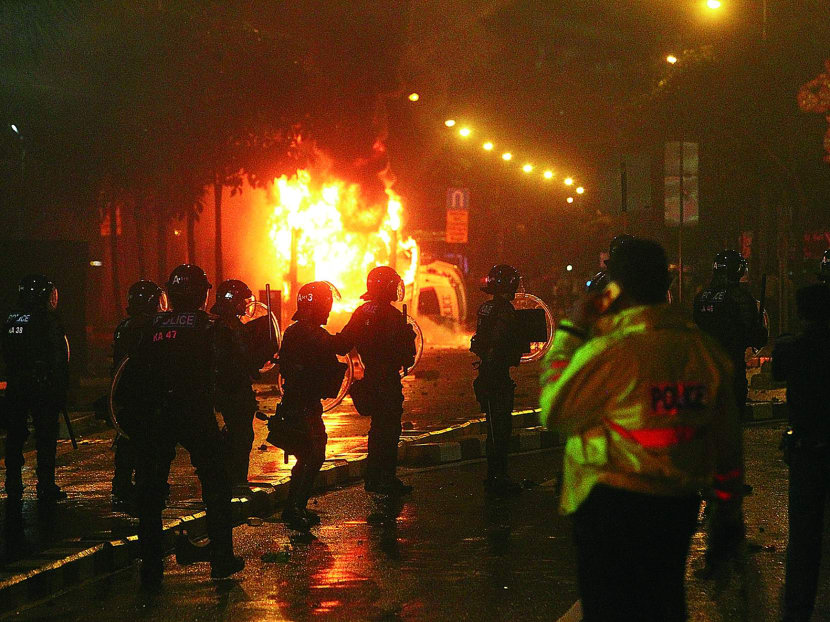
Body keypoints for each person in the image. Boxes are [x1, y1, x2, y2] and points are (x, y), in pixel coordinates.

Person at [540, 238, 744, 621]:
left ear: (615, 289)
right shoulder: (704, 353)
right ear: (666, 283)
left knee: (610, 610)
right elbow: (727, 445)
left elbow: (554, 411)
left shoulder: (612, 353)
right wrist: (727, 510)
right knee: (664, 603)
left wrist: (570, 332)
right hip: (677, 505)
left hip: (610, 504)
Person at [128, 264, 243, 589]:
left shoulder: (151, 326)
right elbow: (232, 376)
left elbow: (133, 372)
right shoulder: (210, 327)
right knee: (216, 484)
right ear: (202, 294)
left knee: (150, 491)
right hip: (196, 414)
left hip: (157, 416)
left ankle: (151, 567)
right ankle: (221, 558)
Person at [772, 284, 830, 622]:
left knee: (804, 540)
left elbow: (778, 372)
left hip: (807, 451)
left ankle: (797, 610)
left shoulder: (792, 348)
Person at [273, 281, 348, 530]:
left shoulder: (298, 331)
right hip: (301, 404)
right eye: (326, 306)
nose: (328, 311)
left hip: (302, 403)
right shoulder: (308, 332)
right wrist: (356, 329)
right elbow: (337, 345)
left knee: (309, 454)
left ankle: (296, 506)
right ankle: (294, 508)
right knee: (312, 454)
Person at [338, 266, 416, 496]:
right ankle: (386, 478)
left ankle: (373, 477)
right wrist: (407, 338)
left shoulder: (362, 312)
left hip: (370, 376)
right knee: (389, 429)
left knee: (377, 429)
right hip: (387, 379)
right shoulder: (392, 316)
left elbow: (343, 342)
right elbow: (405, 356)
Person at [3, 274, 69, 504]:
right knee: (46, 436)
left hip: (16, 385)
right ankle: (45, 484)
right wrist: (61, 388)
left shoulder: (11, 318)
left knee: (14, 436)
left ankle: (12, 481)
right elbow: (58, 357)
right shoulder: (47, 320)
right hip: (42, 387)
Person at [470, 264, 525, 496]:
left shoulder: (486, 307)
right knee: (500, 428)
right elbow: (499, 341)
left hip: (487, 372)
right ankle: (497, 478)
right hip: (497, 375)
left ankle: (495, 476)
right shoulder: (505, 310)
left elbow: (480, 342)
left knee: (494, 427)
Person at [693, 250, 768, 418]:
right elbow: (750, 331)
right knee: (732, 413)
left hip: (705, 363)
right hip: (731, 362)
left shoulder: (701, 296)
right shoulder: (740, 297)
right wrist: (760, 335)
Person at [110, 279, 165, 508]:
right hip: (148, 392)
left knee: (126, 439)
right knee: (149, 442)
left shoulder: (124, 326)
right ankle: (146, 487)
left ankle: (121, 483)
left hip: (126, 393)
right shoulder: (155, 326)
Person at [210, 279, 259, 486]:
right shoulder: (227, 327)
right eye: (242, 300)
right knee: (241, 436)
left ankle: (230, 479)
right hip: (232, 389)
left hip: (227, 388)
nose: (245, 304)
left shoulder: (220, 323)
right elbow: (240, 358)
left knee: (237, 433)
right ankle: (235, 481)